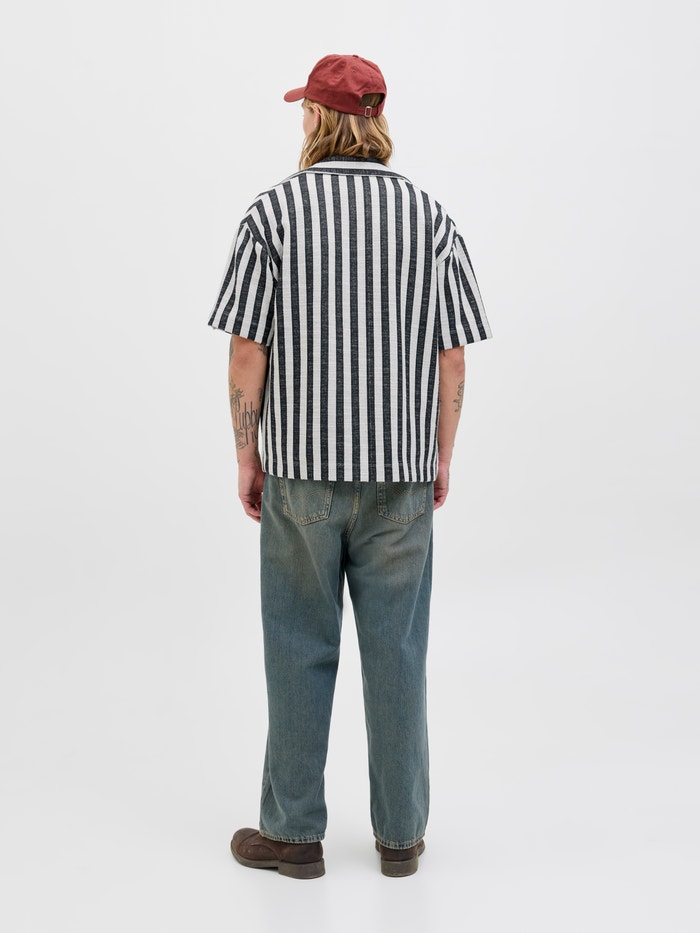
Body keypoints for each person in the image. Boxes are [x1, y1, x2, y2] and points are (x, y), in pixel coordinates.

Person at [208, 53, 492, 879]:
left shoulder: (274, 214)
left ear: (317, 119)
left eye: (304, 109)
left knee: (299, 644)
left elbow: (248, 349)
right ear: (375, 121)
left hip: (301, 474)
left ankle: (294, 834)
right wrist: (440, 454)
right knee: (398, 651)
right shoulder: (429, 217)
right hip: (401, 475)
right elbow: (453, 355)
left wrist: (247, 453)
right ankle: (401, 837)